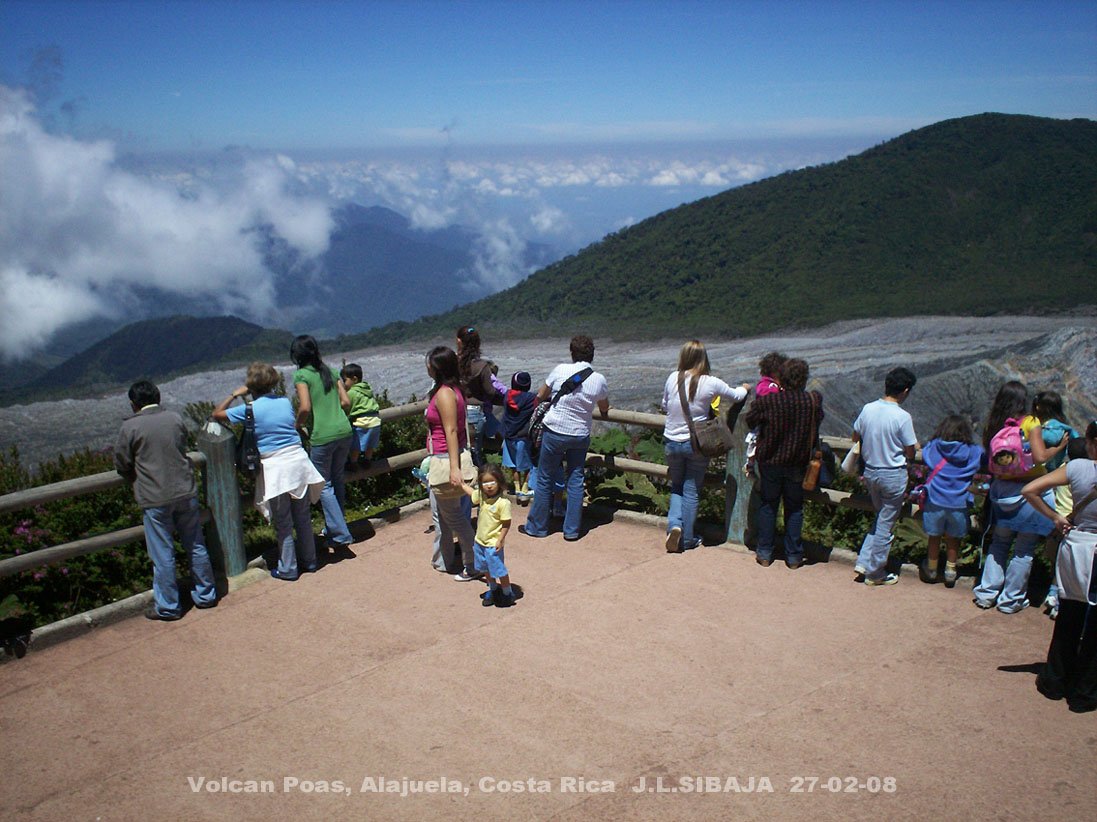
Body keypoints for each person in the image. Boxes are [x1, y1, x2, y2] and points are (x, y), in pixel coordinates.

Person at [114, 380, 217, 620]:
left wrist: (133, 477)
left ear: (133, 404)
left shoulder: (130, 427)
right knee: (196, 544)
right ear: (158, 398)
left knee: (163, 553)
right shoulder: (175, 418)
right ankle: (206, 595)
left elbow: (122, 463)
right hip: (185, 490)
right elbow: (182, 447)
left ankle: (169, 606)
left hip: (155, 496)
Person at [213, 363, 325, 580]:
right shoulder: (284, 402)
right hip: (298, 461)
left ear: (250, 384)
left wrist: (235, 394)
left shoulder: (249, 409)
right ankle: (310, 562)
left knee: (283, 521)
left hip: (275, 467)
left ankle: (289, 568)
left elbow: (217, 414)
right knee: (302, 517)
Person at [1023, 420, 1097, 713]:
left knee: (1069, 615)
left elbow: (1030, 489)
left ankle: (1054, 681)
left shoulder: (1077, 468)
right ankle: (1085, 692)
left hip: (1076, 547)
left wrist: (1055, 517)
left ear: (1090, 441)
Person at [973, 380, 1054, 613]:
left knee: (999, 543)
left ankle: (986, 593)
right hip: (1029, 490)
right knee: (1024, 547)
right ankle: (1011, 600)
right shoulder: (1030, 422)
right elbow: (1039, 456)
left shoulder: (995, 423)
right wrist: (1055, 451)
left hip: (1002, 490)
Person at [661, 340, 750, 553]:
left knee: (677, 486)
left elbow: (665, 404)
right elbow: (737, 395)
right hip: (696, 445)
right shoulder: (711, 382)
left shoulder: (673, 377)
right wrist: (746, 387)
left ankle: (674, 526)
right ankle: (689, 538)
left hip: (672, 441)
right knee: (691, 490)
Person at [521, 335, 609, 541]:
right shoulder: (599, 379)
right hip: (579, 434)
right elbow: (604, 406)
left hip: (554, 431)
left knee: (544, 478)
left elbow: (541, 395)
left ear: (571, 353)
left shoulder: (560, 370)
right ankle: (571, 530)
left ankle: (537, 527)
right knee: (576, 480)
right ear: (592, 355)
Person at [743, 358, 822, 569]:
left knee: (769, 505)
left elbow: (750, 420)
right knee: (794, 508)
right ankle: (794, 556)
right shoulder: (812, 401)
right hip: (798, 462)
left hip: (770, 460)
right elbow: (818, 420)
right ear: (804, 379)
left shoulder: (769, 402)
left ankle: (765, 552)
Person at [852, 367, 919, 586]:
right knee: (886, 524)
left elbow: (855, 435)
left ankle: (864, 561)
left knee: (882, 517)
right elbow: (910, 451)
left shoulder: (868, 408)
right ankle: (875, 573)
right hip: (893, 474)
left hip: (871, 472)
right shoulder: (902, 416)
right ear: (905, 391)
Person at [291, 335, 354, 555]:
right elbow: (346, 402)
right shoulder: (331, 371)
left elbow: (305, 407)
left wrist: (297, 424)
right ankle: (335, 529)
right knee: (337, 481)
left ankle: (340, 534)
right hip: (344, 430)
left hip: (322, 435)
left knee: (323, 484)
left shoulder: (301, 375)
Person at [424, 345, 480, 581]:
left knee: (454, 518)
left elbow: (450, 430)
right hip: (447, 458)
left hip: (447, 460)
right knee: (446, 515)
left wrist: (454, 467)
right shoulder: (454, 390)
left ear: (437, 367)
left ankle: (474, 563)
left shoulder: (445, 393)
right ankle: (445, 560)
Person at [1028, 391, 1079, 619]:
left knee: (1052, 539)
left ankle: (1051, 591)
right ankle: (1054, 592)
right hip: (1068, 488)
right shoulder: (1069, 430)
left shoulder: (1046, 431)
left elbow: (1036, 454)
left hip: (1048, 485)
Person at [918, 415, 983, 587]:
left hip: (935, 501)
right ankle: (950, 571)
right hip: (958, 503)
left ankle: (931, 569)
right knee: (953, 538)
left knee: (934, 536)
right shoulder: (972, 451)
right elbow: (983, 455)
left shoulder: (934, 447)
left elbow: (924, 452)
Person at [461, 463, 519, 607]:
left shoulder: (503, 503)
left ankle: (507, 591)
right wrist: (461, 485)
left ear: (499, 482)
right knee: (485, 568)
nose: (489, 486)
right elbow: (472, 494)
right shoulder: (481, 496)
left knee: (499, 569)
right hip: (480, 541)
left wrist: (500, 539)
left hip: (493, 544)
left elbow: (506, 523)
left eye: (492, 482)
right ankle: (493, 589)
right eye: (485, 483)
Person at [456, 326, 506, 466]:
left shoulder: (453, 363)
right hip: (475, 411)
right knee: (474, 453)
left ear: (459, 341)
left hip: (456, 410)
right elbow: (490, 391)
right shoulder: (481, 365)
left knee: (459, 451)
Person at [743, 351, 786, 479]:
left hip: (765, 426)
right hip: (764, 426)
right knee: (754, 445)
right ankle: (750, 467)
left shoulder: (766, 384)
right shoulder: (768, 386)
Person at [502, 371, 537, 502]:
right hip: (523, 436)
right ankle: (524, 490)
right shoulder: (531, 398)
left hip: (509, 436)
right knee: (527, 465)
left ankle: (516, 489)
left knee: (513, 465)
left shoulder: (507, 396)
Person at [340, 363, 382, 469]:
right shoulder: (367, 389)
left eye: (345, 380)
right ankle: (368, 459)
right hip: (375, 421)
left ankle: (353, 462)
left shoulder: (352, 393)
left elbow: (347, 407)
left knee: (356, 445)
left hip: (362, 422)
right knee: (371, 444)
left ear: (354, 379)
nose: (344, 384)